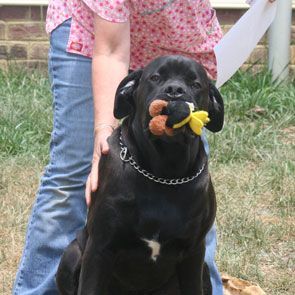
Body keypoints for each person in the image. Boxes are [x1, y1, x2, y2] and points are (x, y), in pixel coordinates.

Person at [13, 0, 270, 294]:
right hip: (96, 33)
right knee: (73, 170)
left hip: (180, 32)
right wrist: (104, 130)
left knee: (190, 184)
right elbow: (110, 50)